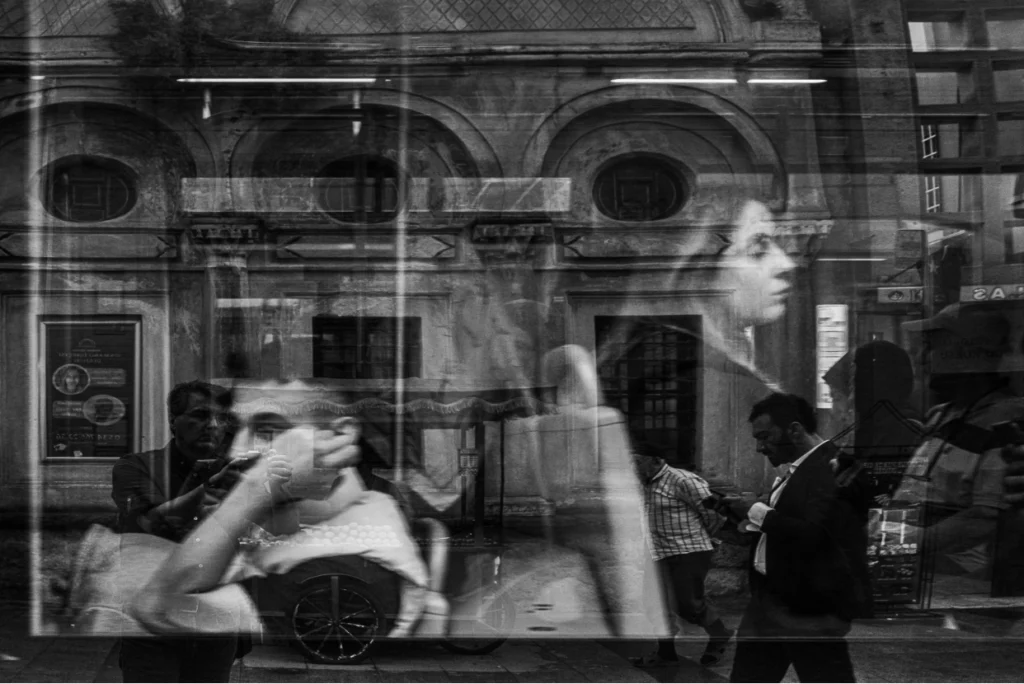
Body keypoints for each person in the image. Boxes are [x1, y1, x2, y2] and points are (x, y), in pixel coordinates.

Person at [727, 393, 870, 683]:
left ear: (794, 429)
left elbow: (816, 534)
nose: (759, 447)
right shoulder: (803, 469)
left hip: (808, 609)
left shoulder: (833, 467)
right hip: (772, 602)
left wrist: (755, 511)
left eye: (765, 436)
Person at [110, 380, 243, 682]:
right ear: (173, 420)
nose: (212, 425)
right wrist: (207, 488)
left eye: (221, 418)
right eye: (200, 415)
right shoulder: (136, 467)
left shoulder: (233, 472)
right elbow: (151, 520)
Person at [894, 303, 1024, 599]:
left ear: (965, 353)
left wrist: (909, 542)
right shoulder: (941, 415)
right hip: (922, 580)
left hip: (962, 590)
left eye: (931, 348)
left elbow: (985, 518)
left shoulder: (1004, 421)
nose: (920, 358)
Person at [632, 442, 733, 668]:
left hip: (688, 550)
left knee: (688, 605)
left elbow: (716, 513)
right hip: (656, 551)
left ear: (655, 459)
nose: (633, 466)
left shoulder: (683, 480)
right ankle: (665, 653)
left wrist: (705, 538)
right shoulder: (644, 483)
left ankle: (719, 634)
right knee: (654, 603)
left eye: (637, 461)